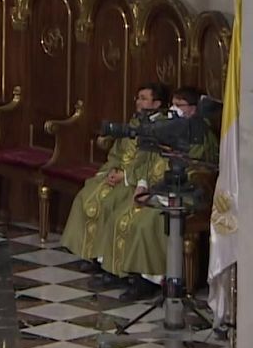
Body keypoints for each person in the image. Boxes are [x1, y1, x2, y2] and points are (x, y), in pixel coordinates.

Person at [104, 87, 218, 301]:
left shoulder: (200, 133)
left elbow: (197, 168)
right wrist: (143, 183)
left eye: (180, 105)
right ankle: (127, 272)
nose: (174, 109)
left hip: (188, 193)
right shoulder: (171, 127)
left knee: (147, 222)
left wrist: (159, 193)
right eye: (172, 104)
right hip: (161, 188)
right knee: (123, 212)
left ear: (194, 109)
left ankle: (150, 280)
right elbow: (152, 159)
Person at [63, 83, 167, 287]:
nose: (138, 102)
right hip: (121, 175)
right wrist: (111, 171)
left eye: (144, 98)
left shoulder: (162, 130)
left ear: (157, 103)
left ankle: (111, 264)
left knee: (112, 204)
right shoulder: (135, 122)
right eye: (137, 98)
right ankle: (93, 254)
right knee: (88, 194)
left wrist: (126, 176)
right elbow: (117, 153)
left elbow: (150, 163)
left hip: (135, 182)